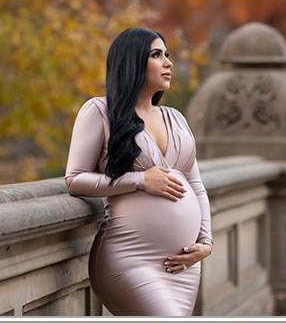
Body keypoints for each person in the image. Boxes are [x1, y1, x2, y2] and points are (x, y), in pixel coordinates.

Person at [64, 27, 213, 316]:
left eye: (167, 54)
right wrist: (140, 180)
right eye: (157, 55)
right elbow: (75, 179)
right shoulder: (99, 112)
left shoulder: (176, 118)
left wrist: (205, 242)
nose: (168, 62)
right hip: (130, 259)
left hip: (182, 265)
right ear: (132, 62)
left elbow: (197, 186)